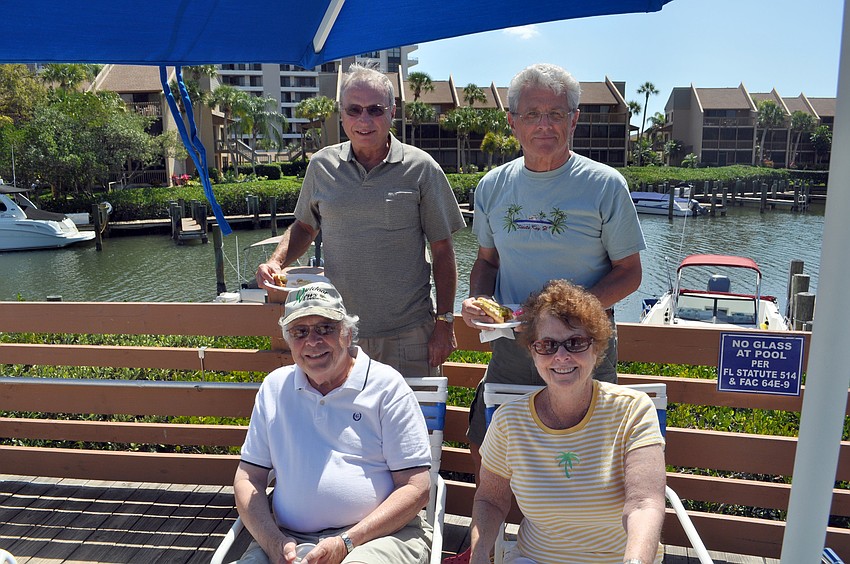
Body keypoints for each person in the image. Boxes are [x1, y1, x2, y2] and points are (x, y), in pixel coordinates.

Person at [456, 63, 645, 501]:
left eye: (556, 114)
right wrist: (478, 299)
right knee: (486, 445)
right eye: (532, 114)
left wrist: (566, 318)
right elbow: (486, 261)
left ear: (573, 119)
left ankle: (573, 534)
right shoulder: (491, 186)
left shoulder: (605, 185)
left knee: (588, 458)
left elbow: (630, 273)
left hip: (584, 347)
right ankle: (501, 533)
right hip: (512, 345)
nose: (544, 124)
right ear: (512, 121)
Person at [256, 64, 466, 378]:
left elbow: (443, 251)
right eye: (354, 110)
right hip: (338, 334)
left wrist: (445, 323)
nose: (364, 120)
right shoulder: (321, 165)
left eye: (375, 110)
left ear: (392, 112)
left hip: (409, 334)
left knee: (413, 412)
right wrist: (276, 262)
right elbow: (305, 226)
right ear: (342, 114)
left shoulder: (422, 168)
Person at [233, 282, 433, 564]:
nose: (312, 341)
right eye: (300, 332)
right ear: (289, 340)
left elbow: (416, 487)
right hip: (287, 538)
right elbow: (248, 478)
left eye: (325, 328)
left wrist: (347, 542)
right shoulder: (274, 388)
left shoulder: (387, 387)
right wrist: (273, 542)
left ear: (347, 334)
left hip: (380, 536)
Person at [469, 280, 666, 564]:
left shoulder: (633, 410)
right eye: (547, 345)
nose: (561, 356)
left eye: (575, 343)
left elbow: (644, 503)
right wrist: (477, 556)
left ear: (596, 349)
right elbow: (490, 500)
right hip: (535, 559)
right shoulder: (509, 421)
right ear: (533, 352)